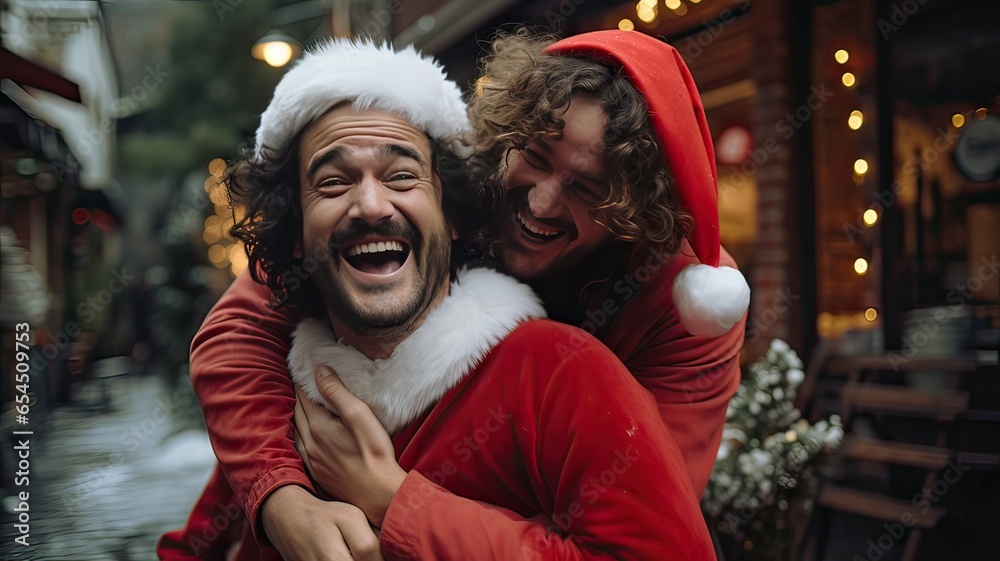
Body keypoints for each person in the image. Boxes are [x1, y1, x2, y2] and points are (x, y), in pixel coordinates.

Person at [163, 29, 750, 559]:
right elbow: (234, 338)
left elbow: (646, 517)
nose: (543, 203)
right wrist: (282, 497)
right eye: (537, 159)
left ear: (632, 211)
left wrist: (394, 502)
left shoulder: (655, 324)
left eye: (589, 187)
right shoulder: (321, 355)